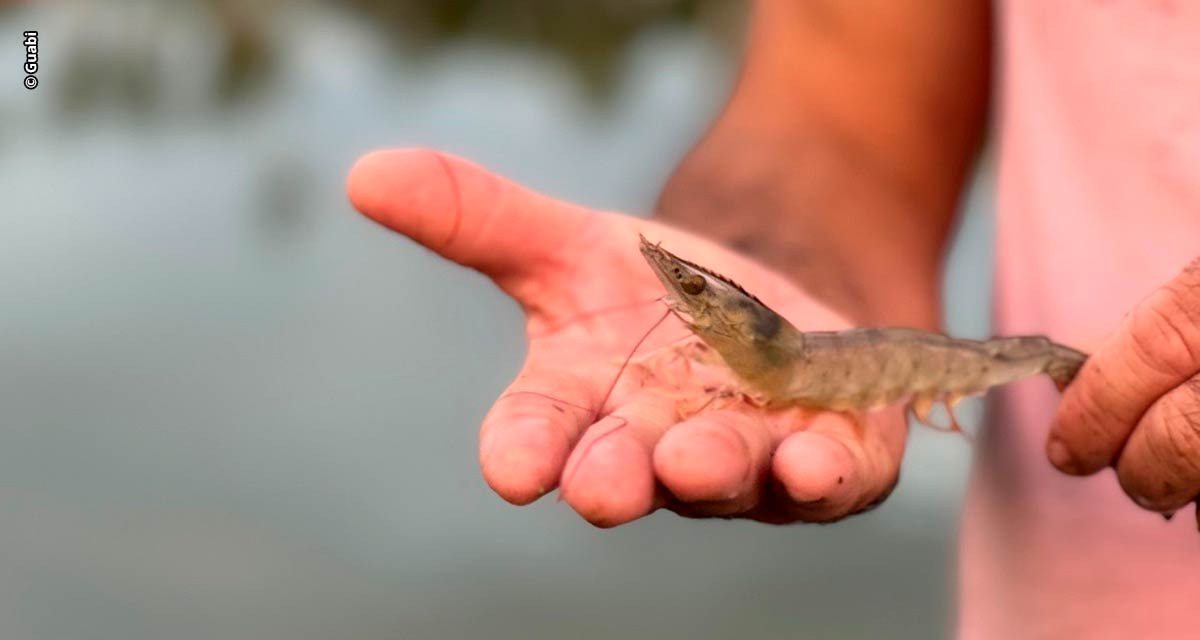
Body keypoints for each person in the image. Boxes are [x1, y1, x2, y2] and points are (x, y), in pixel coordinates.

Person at [345, 1, 1200, 637]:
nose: (686, 307)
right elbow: (842, 116)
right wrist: (770, 258)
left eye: (695, 298)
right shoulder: (743, 349)